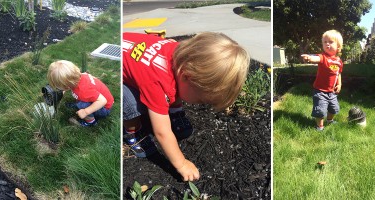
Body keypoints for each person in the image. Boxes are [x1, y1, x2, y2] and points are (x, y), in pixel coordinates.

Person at [122, 32, 250, 181]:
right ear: (186, 76)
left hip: (132, 51)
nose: (200, 103)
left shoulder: (182, 55)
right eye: (201, 100)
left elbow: (177, 84)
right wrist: (182, 164)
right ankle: (133, 134)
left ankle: (174, 112)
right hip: (121, 72)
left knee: (173, 86)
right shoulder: (157, 83)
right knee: (132, 105)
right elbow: (162, 132)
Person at [46, 60, 114, 126]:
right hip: (100, 99)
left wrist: (85, 111)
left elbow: (102, 101)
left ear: (67, 85)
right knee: (81, 102)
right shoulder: (79, 77)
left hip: (104, 108)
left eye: (59, 86)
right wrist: (64, 90)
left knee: (82, 105)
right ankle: (78, 105)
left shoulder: (84, 90)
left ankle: (91, 121)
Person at [301, 30, 344, 131]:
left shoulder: (339, 61)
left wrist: (339, 84)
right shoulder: (323, 57)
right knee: (320, 109)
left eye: (330, 42)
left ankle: (330, 120)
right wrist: (309, 58)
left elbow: (338, 73)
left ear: (338, 47)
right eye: (325, 42)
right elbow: (316, 58)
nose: (327, 44)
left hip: (332, 91)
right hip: (320, 90)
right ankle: (319, 126)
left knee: (334, 108)